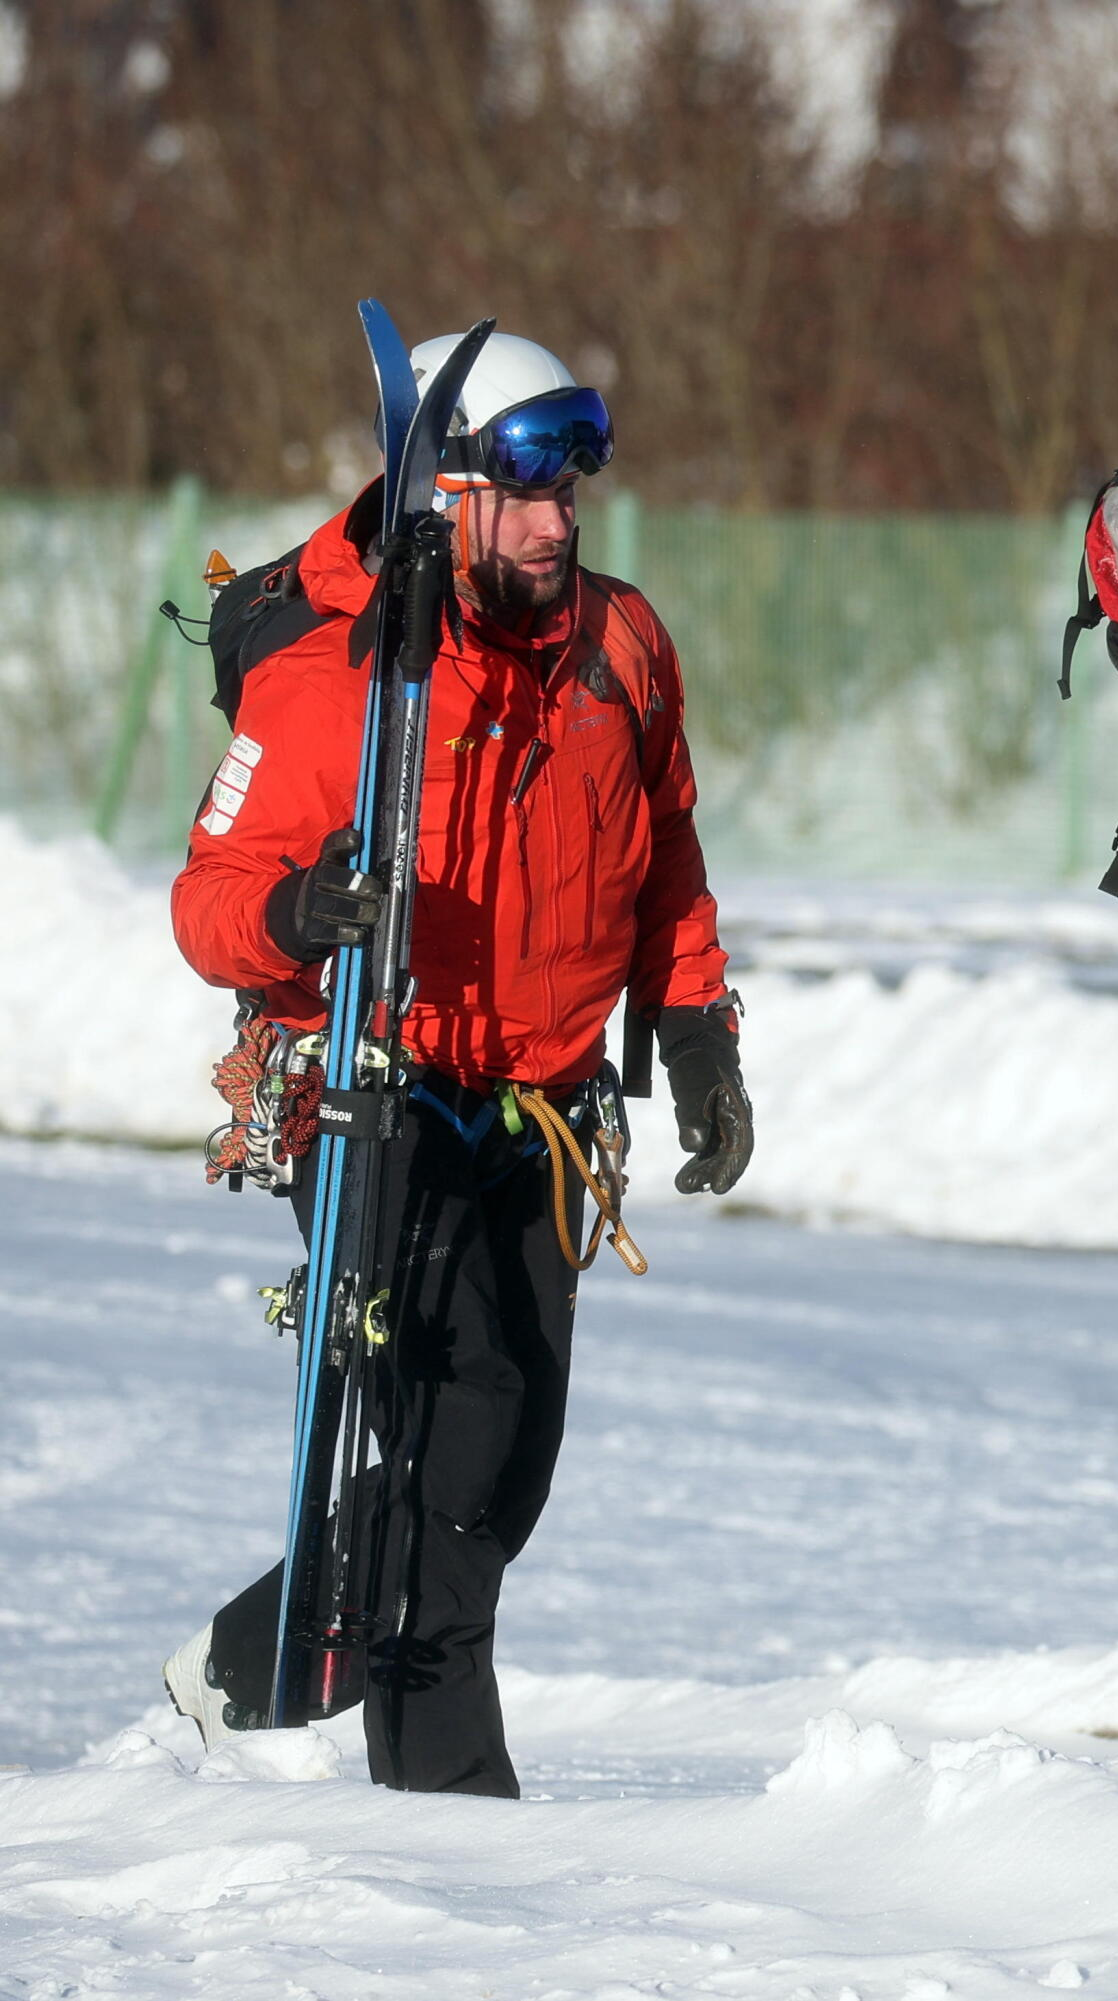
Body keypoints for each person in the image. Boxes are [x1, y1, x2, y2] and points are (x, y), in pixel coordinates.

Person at [158, 330, 752, 1796]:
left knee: (502, 1468)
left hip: (547, 1109)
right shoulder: (329, 673)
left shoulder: (622, 642)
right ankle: (450, 1818)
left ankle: (253, 1655)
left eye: (573, 493)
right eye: (525, 492)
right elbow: (206, 901)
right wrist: (301, 911)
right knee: (456, 1436)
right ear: (444, 495)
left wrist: (693, 1030)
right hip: (376, 1095)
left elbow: (663, 849)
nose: (562, 524)